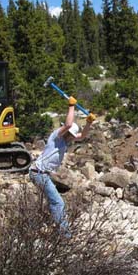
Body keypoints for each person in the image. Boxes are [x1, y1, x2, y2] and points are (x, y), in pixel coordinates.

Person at [29, 96, 95, 237]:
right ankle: (64, 236)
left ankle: (43, 226)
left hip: (42, 173)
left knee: (51, 201)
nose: (71, 137)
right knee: (58, 203)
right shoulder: (56, 136)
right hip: (38, 172)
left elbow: (82, 136)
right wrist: (71, 106)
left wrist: (89, 122)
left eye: (71, 135)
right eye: (70, 134)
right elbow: (69, 125)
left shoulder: (65, 141)